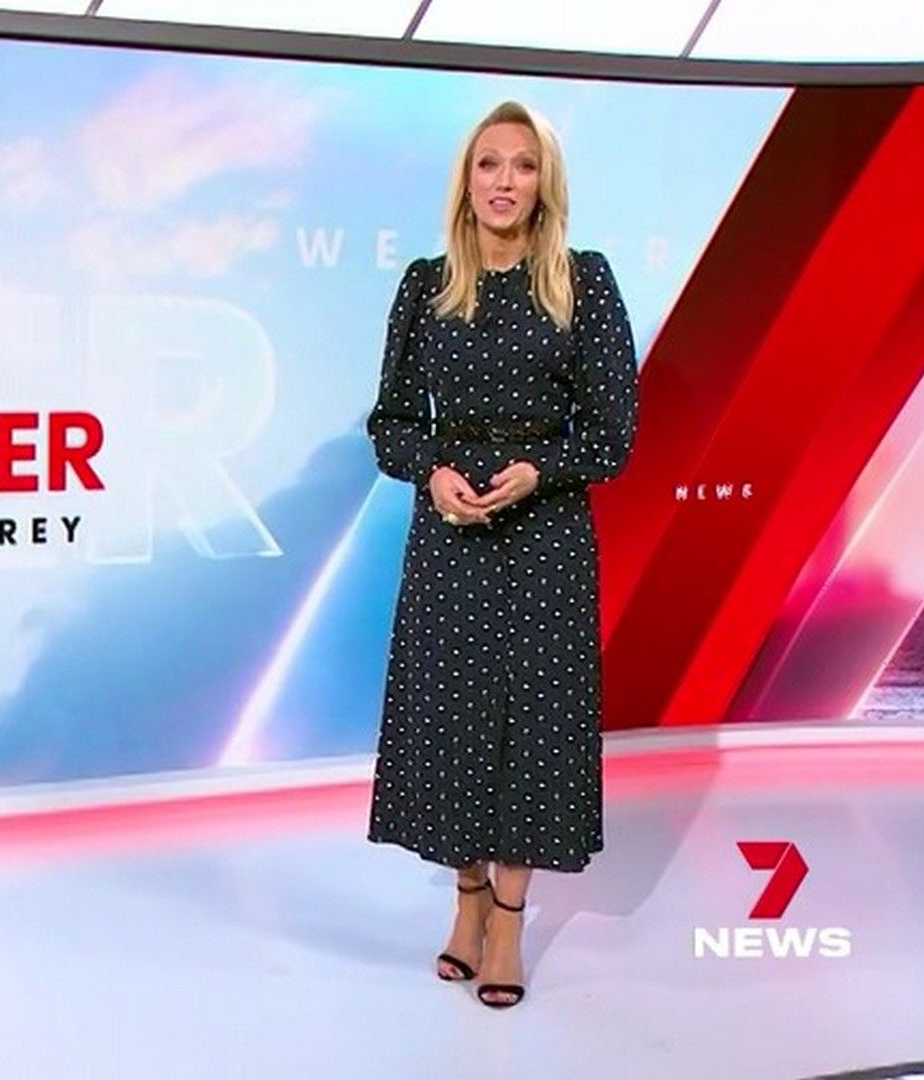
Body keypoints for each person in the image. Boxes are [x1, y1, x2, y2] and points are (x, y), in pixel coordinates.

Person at [362, 100, 638, 1010]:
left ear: (544, 183)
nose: (505, 181)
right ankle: (467, 901)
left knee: (535, 729)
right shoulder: (427, 285)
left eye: (523, 165)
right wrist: (433, 473)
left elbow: (612, 433)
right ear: (467, 180)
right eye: (490, 163)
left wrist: (537, 473)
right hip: (450, 540)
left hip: (545, 539)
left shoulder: (582, 281)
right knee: (454, 725)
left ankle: (510, 921)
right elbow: (392, 423)